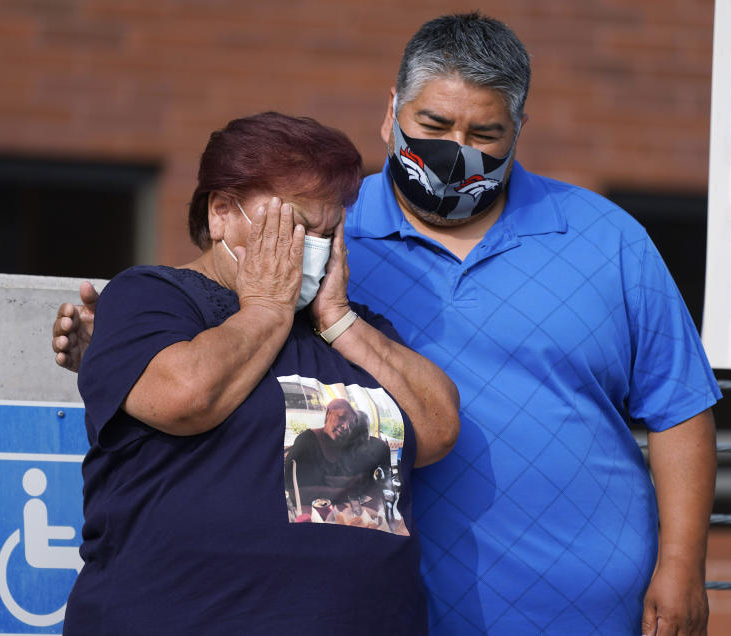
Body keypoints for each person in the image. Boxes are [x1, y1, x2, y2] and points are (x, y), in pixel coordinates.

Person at [54, 13, 720, 636]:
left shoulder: (607, 239)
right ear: (391, 115)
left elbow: (671, 408)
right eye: (434, 122)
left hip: (578, 611)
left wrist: (682, 563)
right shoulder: (343, 226)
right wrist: (113, 346)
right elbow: (187, 380)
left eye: (484, 135)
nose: (456, 150)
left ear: (518, 129)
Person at [60, 111, 459, 635]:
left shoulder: (351, 328)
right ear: (223, 212)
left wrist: (340, 321)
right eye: (295, 226)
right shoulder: (152, 297)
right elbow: (186, 397)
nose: (311, 248)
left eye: (328, 230)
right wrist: (267, 308)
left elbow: (436, 430)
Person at [284, 398, 393, 509]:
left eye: (351, 426)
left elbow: (354, 480)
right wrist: (340, 491)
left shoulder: (343, 445)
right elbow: (290, 490)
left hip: (341, 510)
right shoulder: (306, 441)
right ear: (328, 413)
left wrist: (354, 481)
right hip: (307, 512)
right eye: (341, 417)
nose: (345, 426)